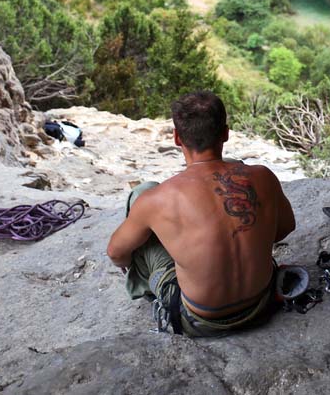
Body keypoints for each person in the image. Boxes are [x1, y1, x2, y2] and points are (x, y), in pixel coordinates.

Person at [107, 90, 296, 336]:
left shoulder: (156, 200)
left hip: (199, 320)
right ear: (226, 133)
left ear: (176, 137)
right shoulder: (263, 176)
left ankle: (151, 285)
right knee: (232, 166)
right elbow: (285, 227)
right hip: (262, 303)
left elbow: (116, 254)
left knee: (140, 193)